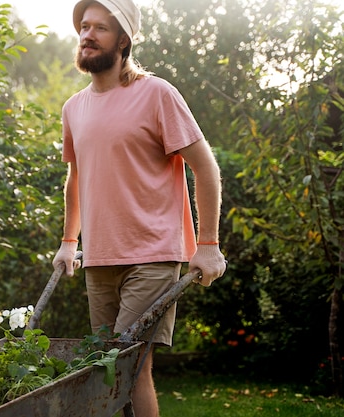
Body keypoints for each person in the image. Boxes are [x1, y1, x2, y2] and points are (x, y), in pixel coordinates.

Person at [51, 1, 227, 416]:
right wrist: (67, 241)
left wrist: (208, 244)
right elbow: (76, 178)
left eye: (100, 28)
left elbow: (204, 167)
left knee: (130, 362)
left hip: (153, 254)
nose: (87, 35)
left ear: (124, 40)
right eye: (84, 27)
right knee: (105, 365)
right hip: (100, 258)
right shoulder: (74, 108)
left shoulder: (156, 94)